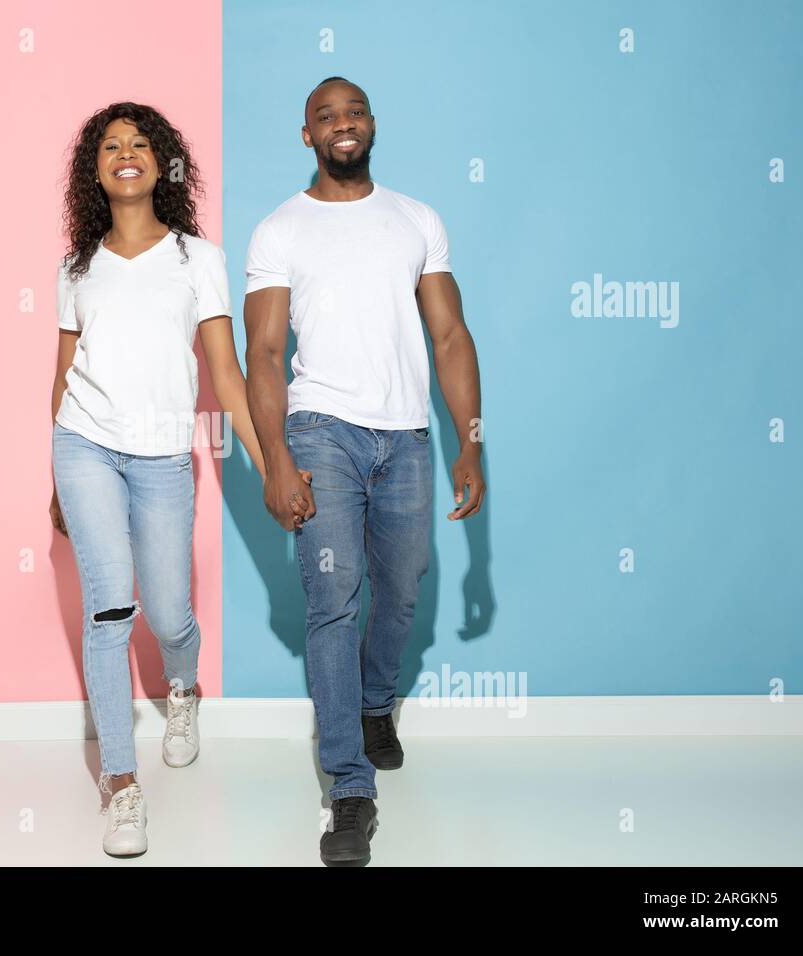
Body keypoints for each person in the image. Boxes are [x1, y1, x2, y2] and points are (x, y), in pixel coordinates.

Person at [49, 101, 308, 858]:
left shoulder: (201, 259)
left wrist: (272, 468)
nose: (125, 152)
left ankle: (183, 690)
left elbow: (226, 376)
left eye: (140, 143)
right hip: (84, 447)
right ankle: (121, 788)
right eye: (109, 145)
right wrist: (56, 480)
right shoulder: (75, 267)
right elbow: (61, 379)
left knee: (167, 611)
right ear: (93, 172)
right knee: (110, 611)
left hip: (164, 455)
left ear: (163, 162)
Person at [243, 76, 486, 867]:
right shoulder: (280, 230)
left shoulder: (417, 219)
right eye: (325, 116)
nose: (341, 125)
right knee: (333, 602)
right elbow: (266, 355)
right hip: (321, 433)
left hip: (406, 437)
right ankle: (348, 790)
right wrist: (277, 457)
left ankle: (377, 700)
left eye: (353, 113)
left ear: (372, 125)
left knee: (404, 588)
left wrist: (470, 441)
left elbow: (450, 337)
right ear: (306, 134)